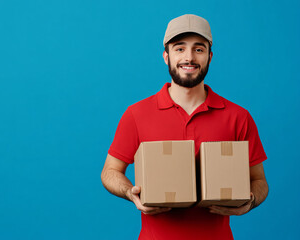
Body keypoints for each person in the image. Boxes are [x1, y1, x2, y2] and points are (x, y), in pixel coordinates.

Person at [101, 14, 268, 240]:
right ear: (166, 56)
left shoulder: (238, 117)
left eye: (198, 49)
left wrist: (250, 202)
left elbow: (259, 181)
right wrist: (131, 194)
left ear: (210, 56)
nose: (189, 58)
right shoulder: (137, 114)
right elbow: (110, 171)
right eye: (179, 49)